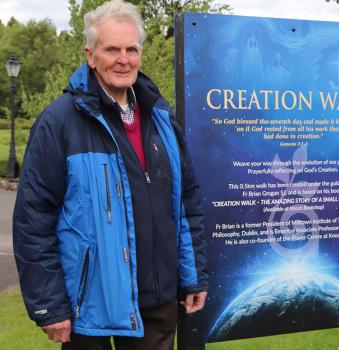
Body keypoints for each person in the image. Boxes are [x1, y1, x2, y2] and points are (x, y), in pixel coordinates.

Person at [12, 1, 208, 349]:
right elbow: (33, 220)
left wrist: (192, 277)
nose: (124, 59)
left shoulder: (162, 119)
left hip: (158, 299)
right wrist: (49, 306)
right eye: (112, 49)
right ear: (90, 56)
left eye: (131, 49)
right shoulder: (59, 123)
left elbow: (186, 202)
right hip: (89, 307)